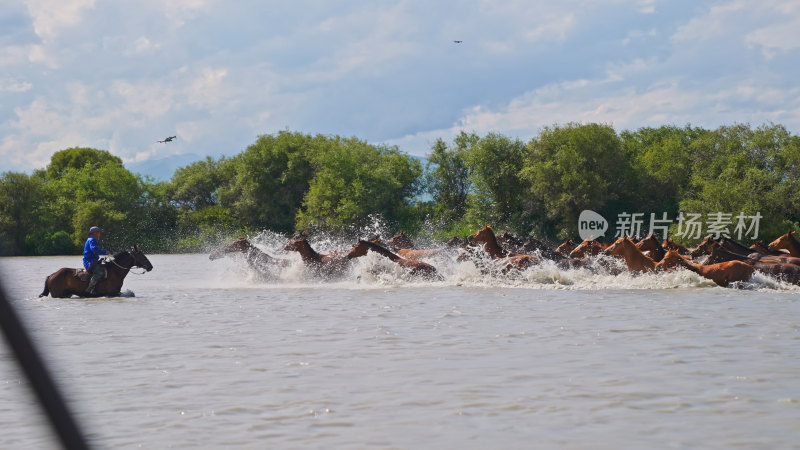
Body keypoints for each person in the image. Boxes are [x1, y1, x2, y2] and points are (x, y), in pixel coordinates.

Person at [83, 226, 109, 294]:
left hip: (92, 260)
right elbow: (94, 250)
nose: (99, 234)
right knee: (99, 272)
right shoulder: (92, 240)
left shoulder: (91, 239)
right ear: (95, 233)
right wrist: (106, 252)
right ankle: (89, 289)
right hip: (90, 262)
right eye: (98, 232)